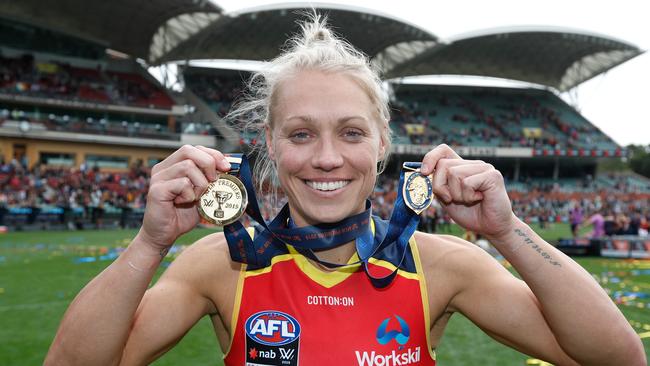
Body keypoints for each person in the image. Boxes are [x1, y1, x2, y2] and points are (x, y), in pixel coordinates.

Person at [45, 16, 645, 366]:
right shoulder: (219, 265)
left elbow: (618, 358)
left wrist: (508, 232)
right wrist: (149, 243)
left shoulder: (439, 264)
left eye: (351, 133)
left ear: (381, 146)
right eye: (301, 134)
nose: (327, 157)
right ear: (272, 147)